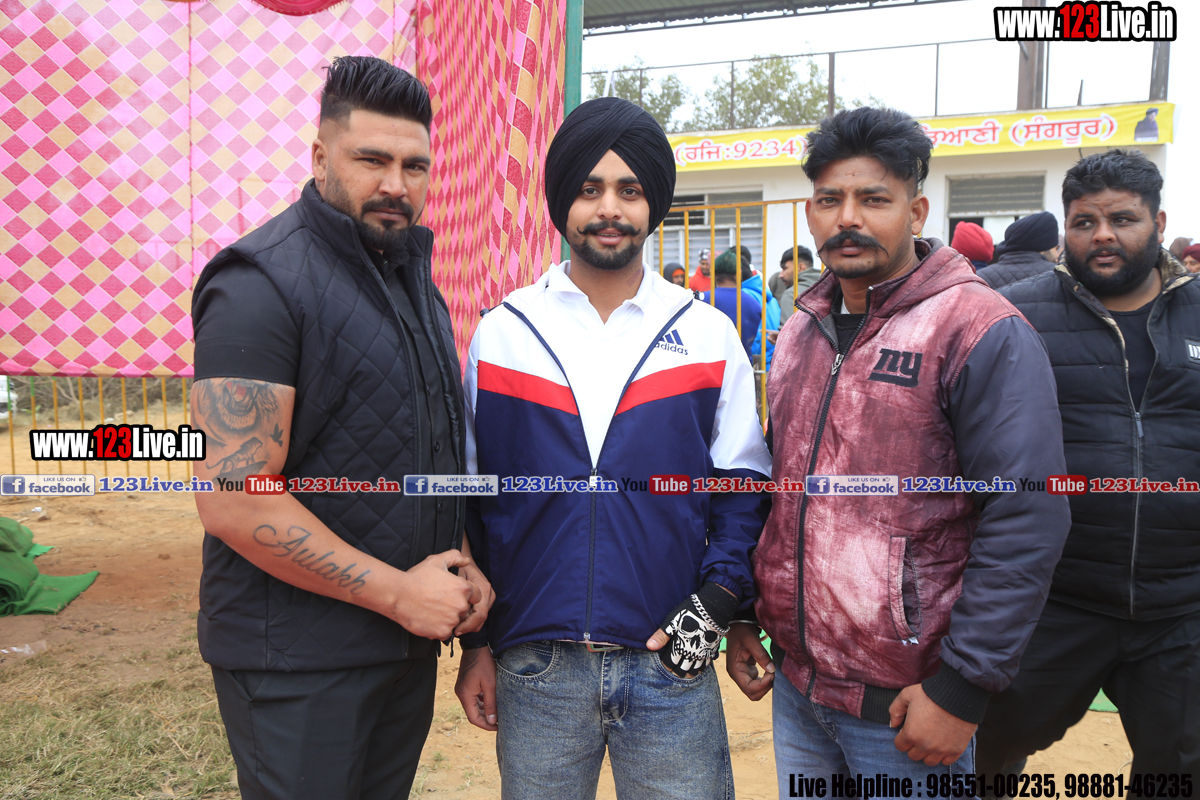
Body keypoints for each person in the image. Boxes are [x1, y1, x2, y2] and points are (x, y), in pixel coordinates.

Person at [724, 106, 1070, 787]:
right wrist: (744, 612)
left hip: (909, 705)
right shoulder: (801, 329)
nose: (848, 218)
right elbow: (777, 487)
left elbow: (1027, 514)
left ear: (915, 212)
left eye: (874, 199)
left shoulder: (976, 329)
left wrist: (963, 687)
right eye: (829, 200)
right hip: (798, 688)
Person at [189, 56, 493, 800]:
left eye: (415, 166)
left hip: (397, 648)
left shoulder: (411, 277)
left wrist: (459, 556)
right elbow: (232, 498)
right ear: (321, 156)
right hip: (296, 664)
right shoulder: (258, 284)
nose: (396, 184)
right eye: (372, 160)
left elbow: (417, 446)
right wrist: (397, 594)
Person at [453, 96, 771, 800]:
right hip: (534, 666)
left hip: (670, 660)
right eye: (589, 188)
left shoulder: (707, 333)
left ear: (653, 201)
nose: (609, 209)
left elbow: (743, 488)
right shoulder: (502, 332)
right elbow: (472, 501)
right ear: (561, 200)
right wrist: (476, 643)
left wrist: (717, 603)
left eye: (629, 190)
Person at [977, 149, 1200, 781]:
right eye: (1084, 222)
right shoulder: (1014, 315)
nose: (1102, 235)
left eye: (1122, 219)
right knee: (981, 749)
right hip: (1052, 597)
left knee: (1178, 772)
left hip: (1183, 605)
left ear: (1158, 224)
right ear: (1065, 229)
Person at [699, 248, 764, 355]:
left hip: (710, 362)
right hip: (742, 362)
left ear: (713, 273)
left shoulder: (701, 301)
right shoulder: (754, 304)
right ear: (739, 273)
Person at [976, 210, 1059, 289]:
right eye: (1056, 248)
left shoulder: (979, 278)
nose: (1057, 256)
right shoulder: (1059, 276)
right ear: (1043, 246)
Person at [775, 245, 821, 323]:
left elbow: (790, 330)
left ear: (800, 267)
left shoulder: (791, 294)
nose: (780, 275)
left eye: (785, 268)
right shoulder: (830, 287)